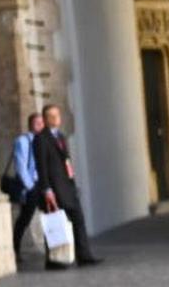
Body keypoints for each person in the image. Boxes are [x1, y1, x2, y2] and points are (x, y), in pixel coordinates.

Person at [31, 104, 100, 268]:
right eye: (52, 116)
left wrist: (72, 181)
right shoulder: (41, 139)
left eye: (58, 115)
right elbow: (42, 166)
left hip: (67, 186)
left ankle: (84, 255)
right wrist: (47, 189)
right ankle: (54, 260)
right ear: (46, 119)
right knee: (55, 224)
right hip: (53, 188)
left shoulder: (61, 136)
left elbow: (66, 162)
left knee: (78, 219)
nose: (56, 118)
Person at [7, 112, 46, 261]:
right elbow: (20, 166)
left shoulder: (43, 140)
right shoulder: (23, 141)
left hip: (43, 183)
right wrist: (30, 186)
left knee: (49, 215)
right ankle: (15, 250)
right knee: (25, 218)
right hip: (31, 185)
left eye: (42, 123)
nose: (40, 126)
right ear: (30, 125)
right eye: (37, 123)